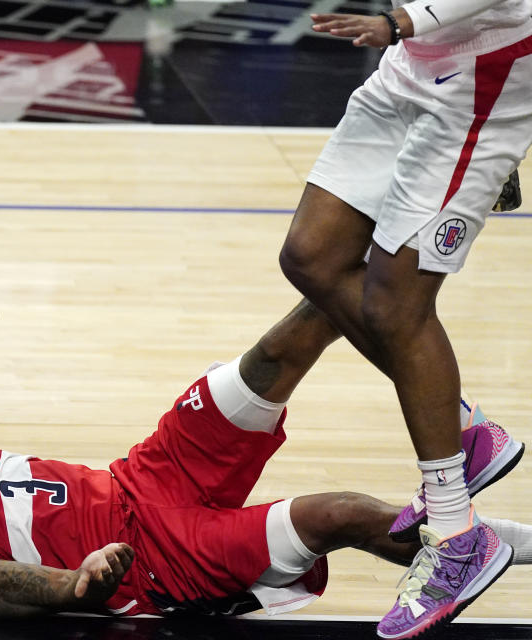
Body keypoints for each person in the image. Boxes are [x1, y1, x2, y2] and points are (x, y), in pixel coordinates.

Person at [0, 287, 531, 629]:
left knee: (298, 329)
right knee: (339, 515)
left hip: (149, 472)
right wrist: (85, 577)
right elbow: (34, 589)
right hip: (160, 559)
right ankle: (486, 543)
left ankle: (401, 246)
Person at [227, 0, 532, 636]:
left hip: (480, 85)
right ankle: (463, 429)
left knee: (396, 305)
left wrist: (402, 20)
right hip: (410, 68)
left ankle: (455, 535)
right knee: (312, 256)